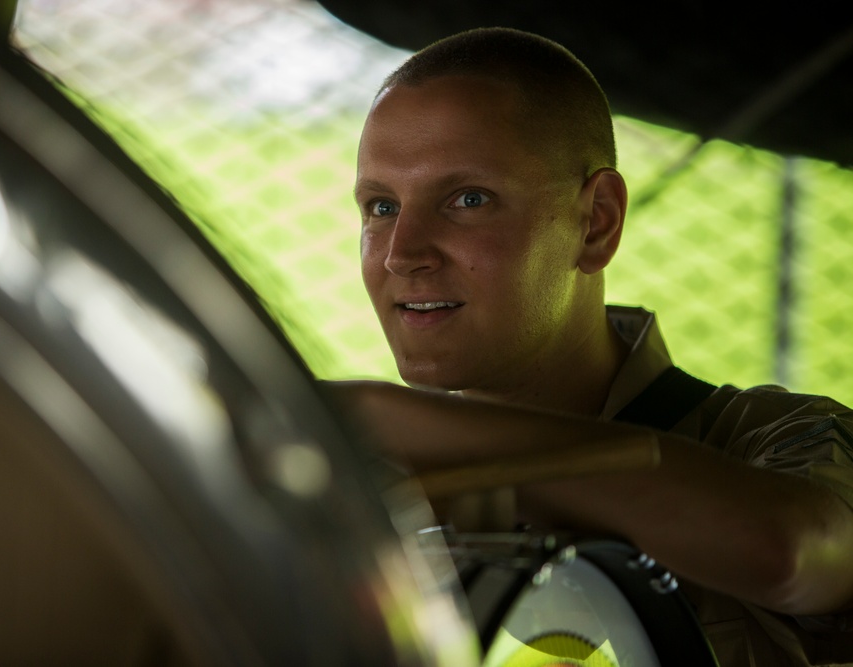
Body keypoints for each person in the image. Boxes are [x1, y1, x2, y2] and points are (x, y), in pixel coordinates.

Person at [330, 27, 853, 667]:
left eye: (469, 200)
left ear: (596, 221)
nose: (401, 253)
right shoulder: (354, 496)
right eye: (380, 206)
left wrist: (388, 426)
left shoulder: (776, 441)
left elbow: (794, 555)